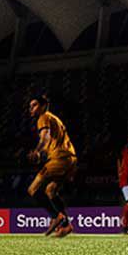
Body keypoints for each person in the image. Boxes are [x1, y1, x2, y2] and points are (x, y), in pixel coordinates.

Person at [26, 94, 76, 238]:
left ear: (42, 106)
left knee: (33, 189)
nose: (31, 108)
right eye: (30, 106)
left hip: (59, 158)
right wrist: (42, 154)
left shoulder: (43, 117)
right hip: (70, 159)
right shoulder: (54, 118)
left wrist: (36, 151)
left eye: (34, 105)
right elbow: (51, 141)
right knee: (51, 190)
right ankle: (66, 226)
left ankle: (56, 216)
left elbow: (45, 137)